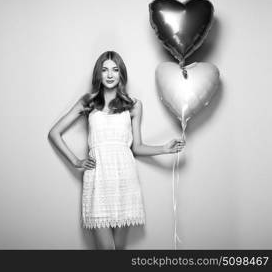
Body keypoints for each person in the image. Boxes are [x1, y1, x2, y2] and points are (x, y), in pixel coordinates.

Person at [48, 50, 185, 250]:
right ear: (98, 74)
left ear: (121, 74)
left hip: (124, 179)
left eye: (115, 69)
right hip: (98, 179)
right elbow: (54, 133)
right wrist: (76, 161)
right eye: (105, 70)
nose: (110, 75)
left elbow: (136, 147)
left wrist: (164, 149)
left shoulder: (134, 105)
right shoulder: (88, 102)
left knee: (118, 251)